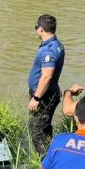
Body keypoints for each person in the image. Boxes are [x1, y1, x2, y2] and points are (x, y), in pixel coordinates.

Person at [28, 14, 65, 154]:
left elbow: (47, 76)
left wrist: (36, 98)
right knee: (45, 128)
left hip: (43, 97)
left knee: (37, 131)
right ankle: (51, 156)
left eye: (36, 27)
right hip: (50, 93)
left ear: (41, 29)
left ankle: (45, 166)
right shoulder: (57, 44)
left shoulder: (49, 50)